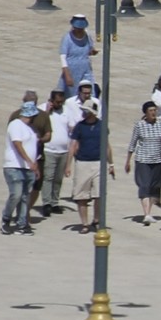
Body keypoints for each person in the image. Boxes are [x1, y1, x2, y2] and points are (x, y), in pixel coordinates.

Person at [66, 99, 113, 234]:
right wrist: (68, 165)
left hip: (99, 163)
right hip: (82, 163)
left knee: (99, 194)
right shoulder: (79, 127)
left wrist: (111, 164)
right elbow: (73, 145)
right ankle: (84, 223)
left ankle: (97, 220)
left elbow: (107, 146)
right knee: (81, 195)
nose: (84, 113)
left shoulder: (102, 126)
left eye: (86, 111)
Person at [125, 100, 161, 226]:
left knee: (155, 186)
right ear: (145, 113)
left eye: (155, 110)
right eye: (151, 111)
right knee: (144, 186)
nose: (153, 113)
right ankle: (146, 214)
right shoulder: (139, 125)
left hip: (158, 160)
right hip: (143, 160)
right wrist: (128, 161)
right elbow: (133, 143)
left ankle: (149, 211)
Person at [8, 91, 51, 214]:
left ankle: (25, 211)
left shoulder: (43, 115)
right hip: (20, 159)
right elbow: (12, 137)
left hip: (38, 157)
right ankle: (20, 213)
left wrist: (40, 140)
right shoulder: (16, 116)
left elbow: (48, 134)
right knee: (21, 188)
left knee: (36, 186)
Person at [2, 101, 41, 235]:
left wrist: (35, 166)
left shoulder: (30, 129)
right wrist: (29, 161)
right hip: (14, 166)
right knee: (16, 194)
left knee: (25, 196)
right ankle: (6, 219)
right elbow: (17, 144)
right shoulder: (15, 125)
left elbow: (33, 148)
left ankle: (22, 223)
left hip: (28, 168)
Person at [41, 90, 71, 218]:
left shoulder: (66, 111)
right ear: (51, 100)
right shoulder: (43, 109)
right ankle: (46, 203)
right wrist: (47, 112)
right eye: (57, 102)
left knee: (58, 179)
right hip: (49, 149)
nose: (60, 104)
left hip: (63, 151)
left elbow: (71, 127)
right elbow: (40, 124)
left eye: (61, 102)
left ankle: (55, 202)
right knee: (48, 177)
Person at [58, 14, 97, 98]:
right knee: (72, 95)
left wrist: (92, 52)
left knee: (89, 91)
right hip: (72, 70)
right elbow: (63, 57)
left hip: (86, 68)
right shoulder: (67, 38)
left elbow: (89, 49)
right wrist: (67, 74)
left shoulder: (87, 36)